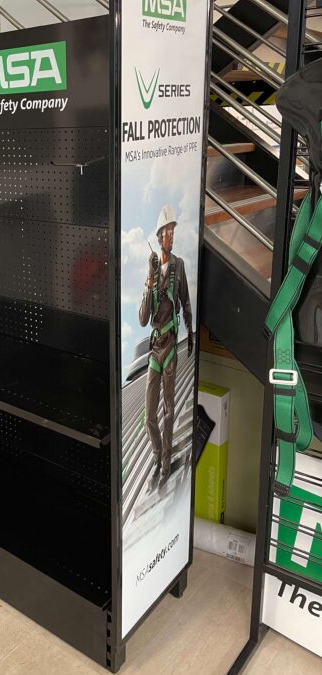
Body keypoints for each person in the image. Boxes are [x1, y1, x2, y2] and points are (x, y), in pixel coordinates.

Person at [139, 205, 193, 488]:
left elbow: (185, 301)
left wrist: (191, 335)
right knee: (149, 416)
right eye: (167, 233)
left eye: (173, 232)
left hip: (171, 345)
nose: (171, 237)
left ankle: (164, 463)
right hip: (154, 349)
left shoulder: (179, 266)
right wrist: (149, 281)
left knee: (169, 411)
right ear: (159, 238)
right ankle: (158, 455)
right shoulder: (151, 274)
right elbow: (142, 318)